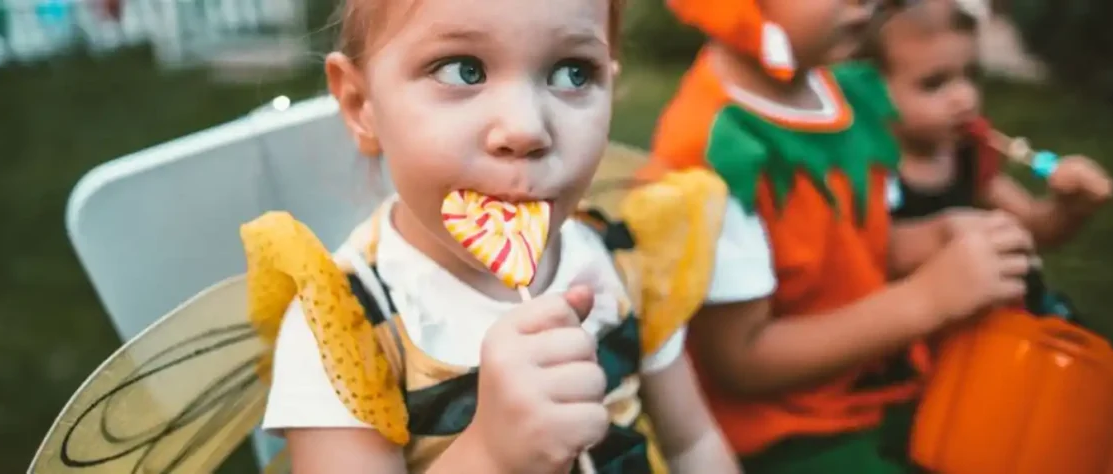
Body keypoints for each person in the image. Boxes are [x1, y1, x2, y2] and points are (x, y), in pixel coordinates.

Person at [242, 0, 748, 472]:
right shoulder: (344, 334)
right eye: (464, 69)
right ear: (361, 104)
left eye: (573, 72)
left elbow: (692, 445)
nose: (527, 128)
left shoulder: (621, 263)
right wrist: (489, 453)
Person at [641, 0, 1037, 472]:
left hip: (878, 389)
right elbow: (740, 362)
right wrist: (927, 300)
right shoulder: (717, 150)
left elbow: (854, 247)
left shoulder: (840, 92)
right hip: (793, 436)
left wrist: (936, 237)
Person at [865, 0, 1113, 246]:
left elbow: (1032, 228)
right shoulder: (865, 166)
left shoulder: (968, 152)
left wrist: (1069, 208)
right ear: (869, 91)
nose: (965, 98)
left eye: (971, 75)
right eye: (935, 83)